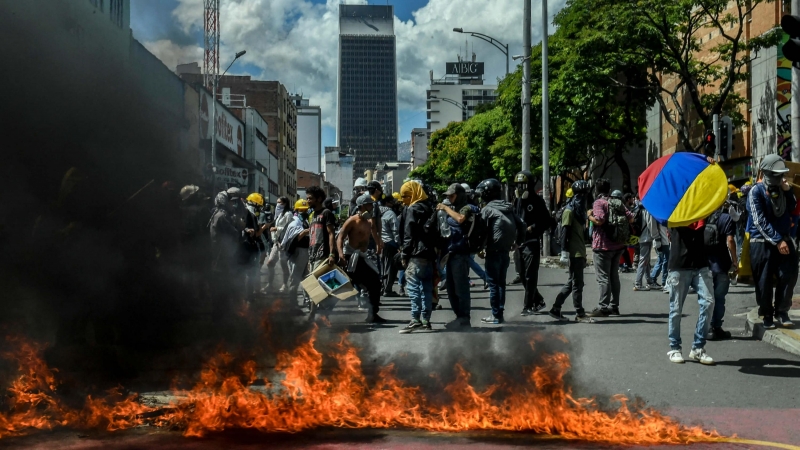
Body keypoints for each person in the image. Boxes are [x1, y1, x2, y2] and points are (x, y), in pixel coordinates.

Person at [746, 154, 798, 329]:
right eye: (776, 174)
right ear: (767, 173)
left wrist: (787, 190)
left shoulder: (783, 190)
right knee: (764, 280)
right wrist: (776, 240)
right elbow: (759, 220)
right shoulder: (756, 191)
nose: (779, 178)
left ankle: (782, 310)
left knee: (789, 274)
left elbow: (792, 207)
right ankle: (766, 313)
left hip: (783, 239)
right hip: (762, 242)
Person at [476, 178, 526, 324]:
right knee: (501, 284)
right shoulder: (508, 208)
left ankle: (495, 315)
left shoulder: (487, 210)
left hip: (493, 252)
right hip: (505, 252)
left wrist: (479, 247)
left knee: (493, 284)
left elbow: (481, 232)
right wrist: (518, 242)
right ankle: (500, 313)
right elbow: (522, 224)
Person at [666, 221, 715, 365]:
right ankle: (675, 347)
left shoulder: (701, 209)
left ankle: (698, 348)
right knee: (675, 309)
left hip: (701, 264)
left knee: (708, 303)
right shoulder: (674, 211)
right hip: (679, 265)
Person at [587, 180, 634, 317]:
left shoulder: (598, 203)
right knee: (614, 276)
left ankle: (603, 307)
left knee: (603, 278)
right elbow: (631, 218)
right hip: (618, 245)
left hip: (602, 246)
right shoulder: (616, 202)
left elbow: (599, 220)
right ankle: (614, 306)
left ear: (597, 190)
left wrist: (589, 215)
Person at [337, 194, 386, 323]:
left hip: (362, 257)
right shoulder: (352, 220)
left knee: (375, 283)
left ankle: (372, 314)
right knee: (342, 285)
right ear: (362, 206)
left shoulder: (370, 221)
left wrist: (378, 245)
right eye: (369, 204)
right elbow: (340, 237)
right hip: (350, 257)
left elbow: (374, 234)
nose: (371, 207)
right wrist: (340, 254)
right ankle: (323, 313)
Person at [513, 170, 555, 316]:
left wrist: (532, 228)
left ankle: (528, 306)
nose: (520, 188)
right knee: (522, 275)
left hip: (531, 243)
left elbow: (547, 221)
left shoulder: (537, 201)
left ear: (529, 185)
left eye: (523, 185)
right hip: (519, 243)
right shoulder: (517, 200)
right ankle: (538, 300)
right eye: (518, 185)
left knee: (530, 276)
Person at [549, 180, 591, 322]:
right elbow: (564, 232)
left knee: (572, 282)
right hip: (574, 253)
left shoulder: (579, 211)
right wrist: (564, 251)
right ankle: (579, 313)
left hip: (580, 251)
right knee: (577, 284)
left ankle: (556, 308)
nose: (583, 197)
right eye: (580, 194)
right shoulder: (569, 210)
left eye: (585, 194)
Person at [437, 183, 478, 327]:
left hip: (461, 254)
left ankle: (464, 317)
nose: (450, 199)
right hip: (451, 253)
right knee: (451, 288)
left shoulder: (468, 207)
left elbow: (461, 219)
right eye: (448, 197)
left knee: (461, 288)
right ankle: (459, 316)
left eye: (452, 196)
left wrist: (446, 208)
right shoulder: (453, 209)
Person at [398, 181, 436, 333]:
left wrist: (404, 254)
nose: (403, 200)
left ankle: (415, 319)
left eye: (405, 196)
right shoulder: (429, 207)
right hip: (429, 254)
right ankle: (426, 320)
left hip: (415, 254)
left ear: (413, 194)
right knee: (427, 288)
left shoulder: (412, 209)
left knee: (413, 288)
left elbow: (409, 234)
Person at [208, 190, 242, 321]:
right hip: (222, 256)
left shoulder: (216, 213)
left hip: (219, 254)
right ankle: (221, 315)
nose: (232, 204)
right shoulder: (222, 216)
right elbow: (234, 233)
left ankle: (220, 313)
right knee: (223, 286)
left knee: (220, 285)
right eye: (229, 201)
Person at [706, 206, 738, 340]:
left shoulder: (703, 215)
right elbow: (730, 241)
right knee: (719, 299)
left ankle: (706, 328)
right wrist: (735, 261)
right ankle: (716, 327)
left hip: (705, 265)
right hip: (721, 265)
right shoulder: (726, 218)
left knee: (706, 299)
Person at [281, 200, 311, 310]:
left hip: (303, 252)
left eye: (306, 210)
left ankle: (307, 301)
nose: (304, 212)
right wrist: (306, 231)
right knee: (295, 278)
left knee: (305, 277)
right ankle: (292, 304)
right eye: (302, 210)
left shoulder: (303, 221)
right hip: (298, 252)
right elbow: (295, 239)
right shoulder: (294, 222)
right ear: (296, 210)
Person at [240, 193, 269, 299]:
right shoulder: (250, 214)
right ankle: (249, 296)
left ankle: (245, 296)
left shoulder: (243, 212)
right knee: (251, 272)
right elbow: (256, 234)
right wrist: (265, 226)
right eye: (258, 206)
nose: (258, 209)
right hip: (249, 246)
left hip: (243, 246)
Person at [264, 197, 293, 293]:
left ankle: (285, 285)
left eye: (279, 202)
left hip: (283, 243)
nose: (277, 204)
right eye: (277, 202)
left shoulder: (288, 214)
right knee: (270, 263)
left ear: (285, 203)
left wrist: (277, 228)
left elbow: (289, 228)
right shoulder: (279, 214)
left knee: (283, 265)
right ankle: (270, 284)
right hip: (276, 243)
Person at [306, 186, 337, 272]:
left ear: (319, 199)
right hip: (312, 255)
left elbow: (331, 234)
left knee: (318, 282)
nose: (308, 201)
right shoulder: (312, 215)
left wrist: (331, 254)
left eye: (310, 198)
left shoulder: (326, 213)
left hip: (323, 255)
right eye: (307, 198)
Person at [633, 203, 659, 291]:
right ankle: (638, 283)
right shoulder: (648, 211)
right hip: (646, 238)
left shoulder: (638, 209)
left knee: (646, 260)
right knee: (643, 259)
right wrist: (656, 237)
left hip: (640, 237)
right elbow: (651, 225)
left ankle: (649, 281)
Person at [380, 194, 401, 296]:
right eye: (392, 201)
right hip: (390, 243)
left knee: (382, 267)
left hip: (379, 243)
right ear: (387, 203)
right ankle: (387, 290)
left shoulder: (376, 211)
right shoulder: (390, 213)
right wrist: (399, 244)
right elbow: (395, 230)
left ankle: (382, 288)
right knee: (391, 268)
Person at [650, 218, 670, 293]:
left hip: (663, 241)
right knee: (663, 261)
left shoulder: (660, 217)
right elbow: (654, 230)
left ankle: (656, 279)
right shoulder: (658, 217)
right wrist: (657, 239)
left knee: (662, 260)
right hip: (662, 242)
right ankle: (660, 280)